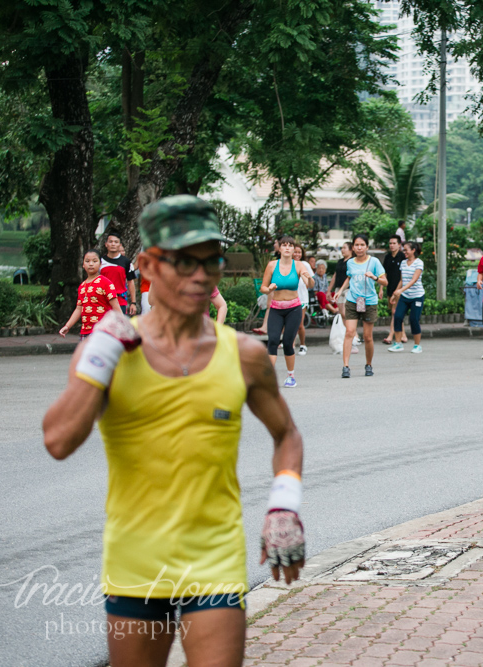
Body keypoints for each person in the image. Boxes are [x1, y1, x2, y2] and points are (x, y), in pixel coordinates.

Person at [42, 195, 306, 667]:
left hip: (216, 561)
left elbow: (286, 433)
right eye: (183, 261)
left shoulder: (243, 354)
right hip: (136, 562)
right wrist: (101, 355)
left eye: (211, 261)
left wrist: (284, 506)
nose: (200, 275)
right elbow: (59, 440)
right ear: (146, 265)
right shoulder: (109, 348)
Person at [261, 237, 313, 388]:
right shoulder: (272, 265)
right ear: (280, 249)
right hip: (276, 309)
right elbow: (263, 288)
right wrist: (269, 289)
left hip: (293, 309)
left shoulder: (298, 265)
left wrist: (308, 279)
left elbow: (310, 284)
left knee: (288, 343)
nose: (288, 248)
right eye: (284, 245)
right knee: (273, 341)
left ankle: (291, 376)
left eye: (291, 246)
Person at [333, 234, 386, 378]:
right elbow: (349, 277)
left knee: (368, 337)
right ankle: (345, 367)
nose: (359, 247)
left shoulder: (374, 262)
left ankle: (368, 364)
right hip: (352, 300)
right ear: (353, 247)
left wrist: (374, 277)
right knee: (349, 332)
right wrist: (341, 291)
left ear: (367, 247)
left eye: (362, 245)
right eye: (356, 245)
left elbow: (385, 281)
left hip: (369, 302)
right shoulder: (350, 262)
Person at [59, 250, 121, 339]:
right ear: (83, 264)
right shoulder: (82, 286)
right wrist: (67, 326)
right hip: (85, 332)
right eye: (87, 261)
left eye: (94, 261)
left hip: (103, 331)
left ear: (100, 264)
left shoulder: (106, 283)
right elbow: (79, 309)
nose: (91, 264)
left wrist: (123, 327)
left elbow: (116, 307)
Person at [389, 241, 425, 353]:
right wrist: (396, 293)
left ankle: (417, 345)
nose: (404, 252)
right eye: (403, 250)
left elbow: (413, 280)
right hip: (405, 296)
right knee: (398, 317)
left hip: (417, 296)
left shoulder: (419, 263)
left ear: (413, 250)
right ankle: (398, 344)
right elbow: (402, 280)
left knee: (414, 319)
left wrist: (400, 290)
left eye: (406, 250)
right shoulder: (403, 263)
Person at [101, 231, 138, 315]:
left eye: (116, 242)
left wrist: (133, 303)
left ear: (120, 245)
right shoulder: (100, 261)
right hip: (103, 302)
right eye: (110, 242)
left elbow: (130, 282)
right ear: (106, 244)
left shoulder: (126, 262)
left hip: (120, 301)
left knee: (119, 327)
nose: (113, 244)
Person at [381, 235, 406, 344]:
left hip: (399, 288)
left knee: (394, 312)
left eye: (394, 243)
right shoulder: (387, 257)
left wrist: (398, 290)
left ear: (399, 245)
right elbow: (384, 274)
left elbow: (403, 276)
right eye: (390, 243)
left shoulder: (402, 257)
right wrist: (381, 288)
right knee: (395, 312)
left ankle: (391, 335)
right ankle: (403, 335)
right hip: (389, 287)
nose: (391, 245)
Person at [292, 244, 313, 355]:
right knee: (290, 324)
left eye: (299, 252)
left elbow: (310, 281)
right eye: (295, 252)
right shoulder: (287, 265)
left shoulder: (305, 264)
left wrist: (307, 282)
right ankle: (291, 345)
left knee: (300, 324)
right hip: (290, 298)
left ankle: (302, 345)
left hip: (302, 298)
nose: (297, 254)